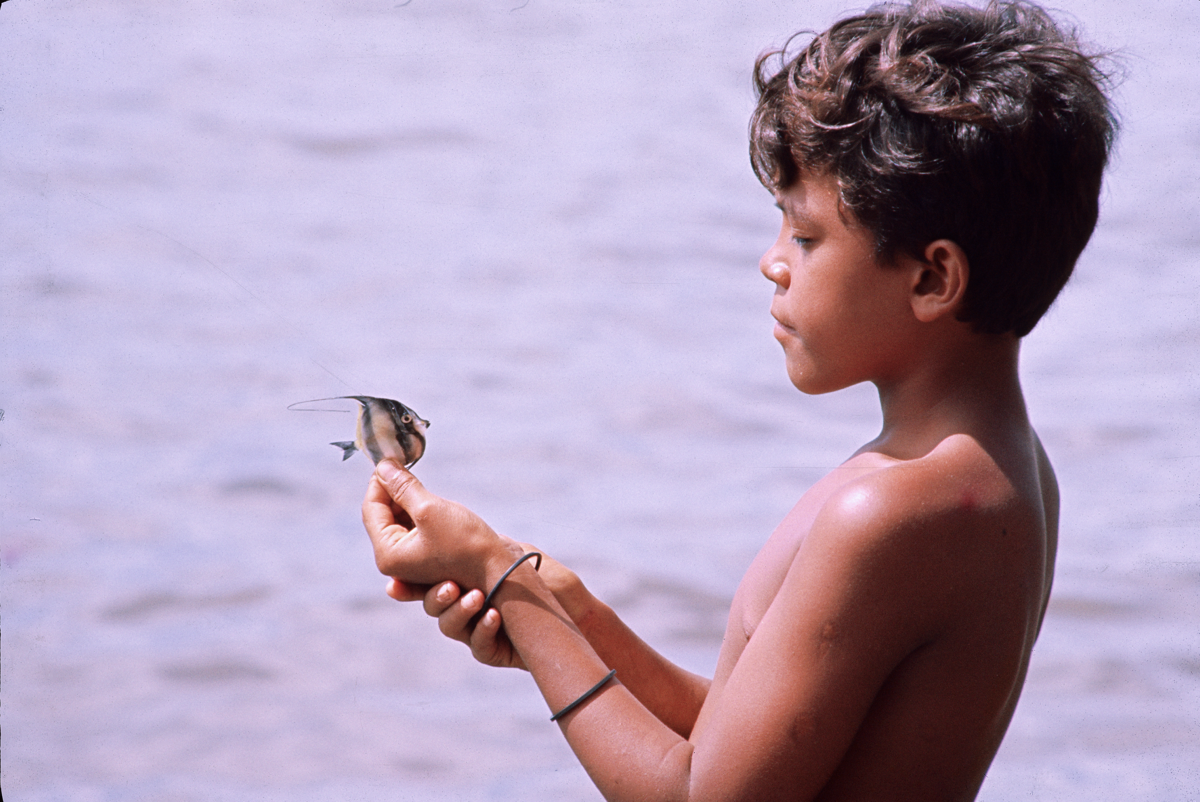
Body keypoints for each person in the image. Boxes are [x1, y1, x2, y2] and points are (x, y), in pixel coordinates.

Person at [361, 1, 1116, 798]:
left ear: (932, 278)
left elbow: (701, 795)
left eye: (806, 236)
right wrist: (567, 620)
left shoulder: (893, 511)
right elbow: (748, 752)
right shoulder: (1005, 469)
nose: (772, 262)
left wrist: (503, 575)